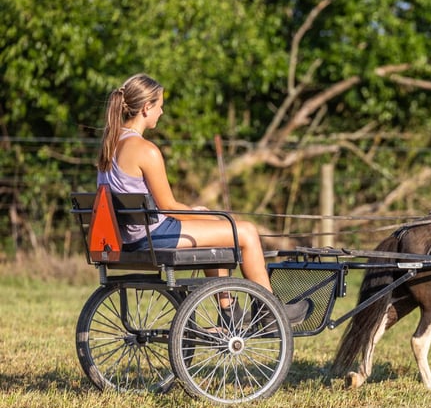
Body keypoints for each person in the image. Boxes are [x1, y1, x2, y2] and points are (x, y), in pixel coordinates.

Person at [96, 73, 312, 325]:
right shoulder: (146, 151)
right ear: (146, 108)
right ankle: (270, 311)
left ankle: (229, 310)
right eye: (160, 105)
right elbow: (168, 207)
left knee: (221, 229)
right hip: (152, 236)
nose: (162, 112)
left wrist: (202, 215)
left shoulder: (109, 145)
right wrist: (206, 214)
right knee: (246, 232)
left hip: (128, 237)